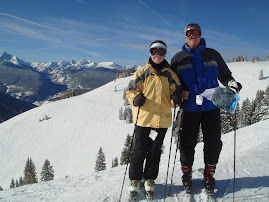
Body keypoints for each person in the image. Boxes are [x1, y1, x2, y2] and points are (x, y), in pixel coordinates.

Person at [170, 23, 242, 194]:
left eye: (195, 33)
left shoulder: (213, 54)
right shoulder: (178, 59)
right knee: (187, 143)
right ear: (185, 36)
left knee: (213, 142)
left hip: (211, 106)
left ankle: (209, 174)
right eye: (189, 33)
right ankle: (186, 174)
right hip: (189, 109)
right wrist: (179, 94)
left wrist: (232, 84)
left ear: (200, 35)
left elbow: (225, 75)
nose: (192, 36)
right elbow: (172, 84)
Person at [126, 40, 182, 197]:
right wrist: (135, 99)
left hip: (162, 121)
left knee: (155, 151)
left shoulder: (170, 74)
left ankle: (150, 178)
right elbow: (130, 91)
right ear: (150, 53)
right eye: (154, 51)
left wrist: (176, 100)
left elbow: (174, 95)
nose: (157, 55)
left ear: (165, 54)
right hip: (143, 119)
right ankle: (135, 179)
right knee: (138, 150)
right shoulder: (142, 72)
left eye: (161, 51)